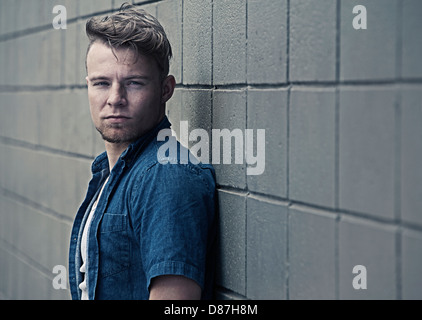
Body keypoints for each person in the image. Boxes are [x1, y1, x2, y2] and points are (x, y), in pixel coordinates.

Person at [68, 3, 217, 300]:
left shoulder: (165, 176)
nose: (114, 99)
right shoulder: (112, 173)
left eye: (134, 83)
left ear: (165, 89)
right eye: (101, 83)